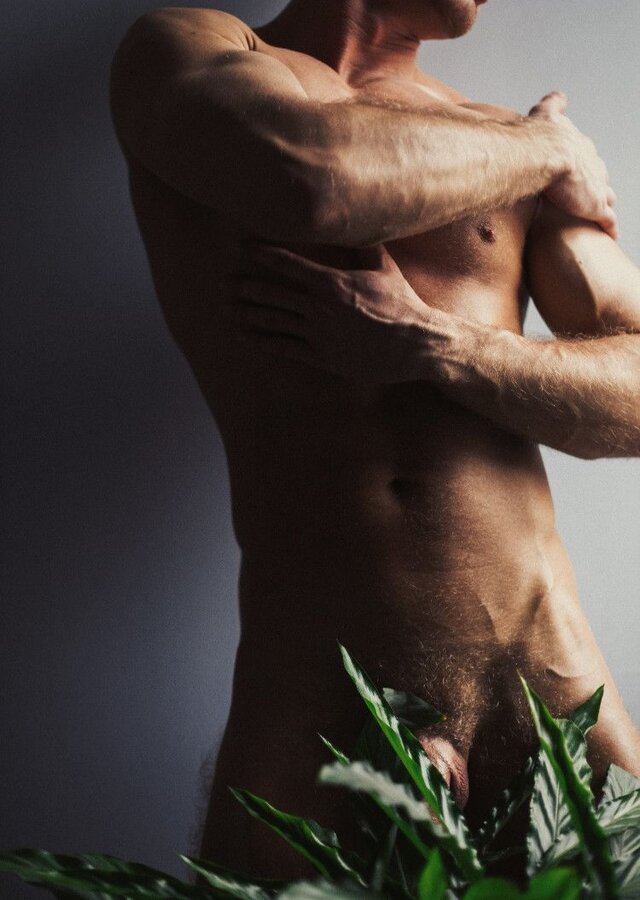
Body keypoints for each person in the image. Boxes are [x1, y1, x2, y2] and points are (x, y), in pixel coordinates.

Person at [110, 0, 640, 879]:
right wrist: (547, 149)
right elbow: (314, 179)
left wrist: (440, 348)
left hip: (548, 672)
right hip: (321, 690)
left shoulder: (496, 138)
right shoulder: (188, 49)